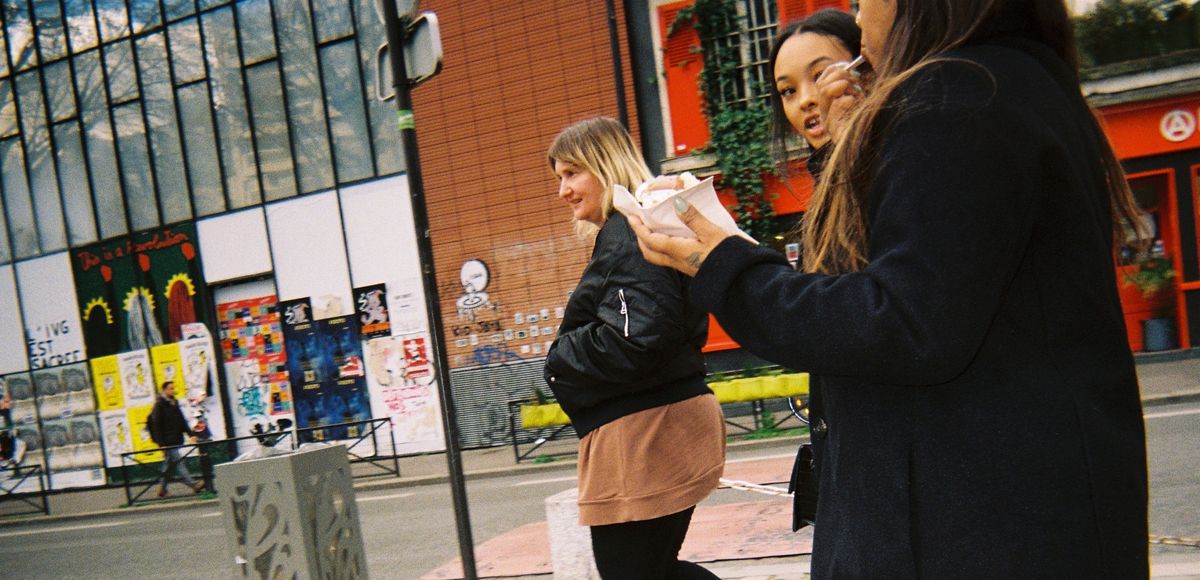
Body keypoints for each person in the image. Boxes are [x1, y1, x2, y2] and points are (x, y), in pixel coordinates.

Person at [628, 0, 1150, 577]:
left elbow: (902, 320)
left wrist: (725, 267)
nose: (858, 17)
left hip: (977, 526)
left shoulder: (955, 97)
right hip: (1022, 511)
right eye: (784, 89)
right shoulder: (1013, 84)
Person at [543, 117, 725, 579]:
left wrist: (561, 355)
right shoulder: (633, 229)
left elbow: (637, 336)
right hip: (651, 426)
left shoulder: (626, 233)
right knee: (654, 572)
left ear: (603, 166)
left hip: (643, 435)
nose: (563, 189)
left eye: (571, 173)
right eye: (558, 178)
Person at [768, 8, 862, 178]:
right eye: (788, 90)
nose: (805, 101)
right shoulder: (825, 183)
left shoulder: (906, 154)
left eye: (821, 75)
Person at [147, 381, 205, 497]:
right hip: (167, 441)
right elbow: (156, 426)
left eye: (173, 388)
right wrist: (161, 444)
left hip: (174, 439)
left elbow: (181, 421)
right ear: (164, 390)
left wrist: (191, 434)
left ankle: (162, 490)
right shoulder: (159, 405)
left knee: (168, 466)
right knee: (179, 463)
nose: (173, 391)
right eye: (170, 389)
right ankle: (193, 485)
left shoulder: (173, 403)